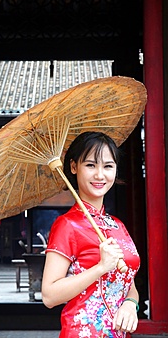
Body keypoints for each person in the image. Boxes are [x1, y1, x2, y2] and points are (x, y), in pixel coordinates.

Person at [42, 131, 140, 338]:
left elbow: (127, 284)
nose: (99, 175)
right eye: (90, 165)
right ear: (73, 167)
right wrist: (101, 267)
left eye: (108, 166)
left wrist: (131, 305)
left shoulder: (118, 226)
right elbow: (49, 295)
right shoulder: (67, 225)